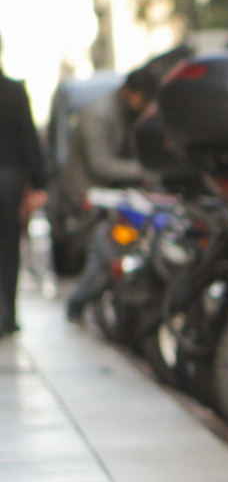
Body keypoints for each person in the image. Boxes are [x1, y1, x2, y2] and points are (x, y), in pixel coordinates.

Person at [62, 65, 155, 323]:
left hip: (114, 193)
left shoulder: (127, 113)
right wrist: (144, 172)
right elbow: (100, 164)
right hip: (91, 193)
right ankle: (78, 302)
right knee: (105, 253)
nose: (144, 105)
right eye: (142, 99)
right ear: (129, 92)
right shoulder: (99, 114)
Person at [0, 35, 49, 336]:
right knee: (9, 247)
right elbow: (29, 139)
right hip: (9, 179)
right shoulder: (14, 91)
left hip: (10, 176)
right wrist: (39, 182)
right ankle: (8, 316)